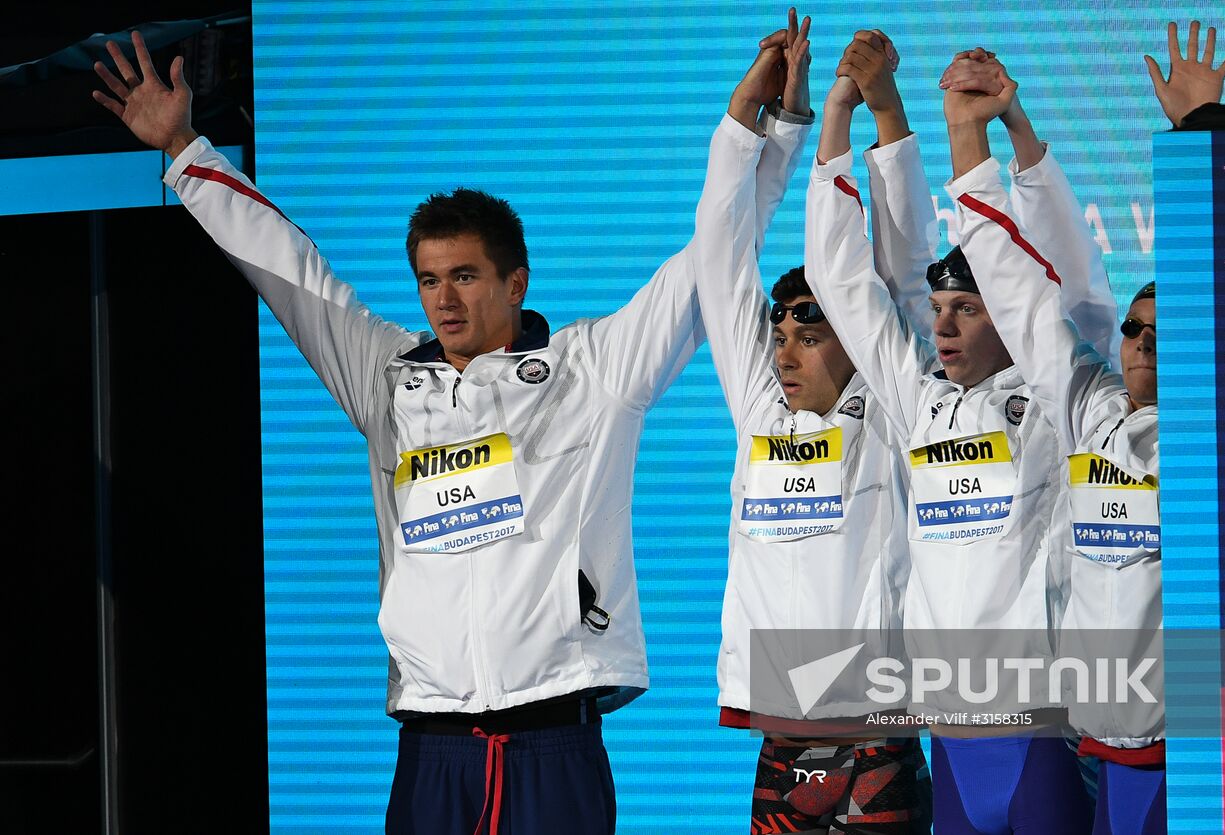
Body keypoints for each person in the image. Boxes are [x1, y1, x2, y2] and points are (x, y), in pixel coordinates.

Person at [92, 26, 808, 835]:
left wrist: (769, 131)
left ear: (515, 280)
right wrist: (186, 148)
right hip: (432, 750)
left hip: (554, 743)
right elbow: (287, 267)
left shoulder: (595, 367)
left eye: (465, 276)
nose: (444, 299)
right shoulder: (386, 377)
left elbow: (712, 253)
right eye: (429, 279)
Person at [807, 40, 1120, 835]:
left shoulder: (1059, 400)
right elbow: (845, 279)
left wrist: (1007, 127)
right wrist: (844, 112)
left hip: (1040, 725)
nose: (940, 327)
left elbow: (1069, 284)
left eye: (967, 310)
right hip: (946, 725)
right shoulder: (920, 401)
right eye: (938, 311)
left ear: (1008, 319)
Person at [937, 22, 1225, 830]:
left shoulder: (1213, 439)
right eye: (1135, 329)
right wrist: (971, 131)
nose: (1141, 343)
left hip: (1188, 759)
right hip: (1095, 751)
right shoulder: (1087, 403)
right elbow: (1016, 281)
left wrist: (1198, 133)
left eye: (1165, 333)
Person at [695, 22, 937, 833]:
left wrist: (880, 110)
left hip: (878, 738)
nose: (785, 350)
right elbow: (721, 259)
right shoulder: (761, 413)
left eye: (811, 330)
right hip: (780, 739)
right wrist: (750, 123)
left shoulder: (896, 414)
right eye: (780, 331)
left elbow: (905, 275)